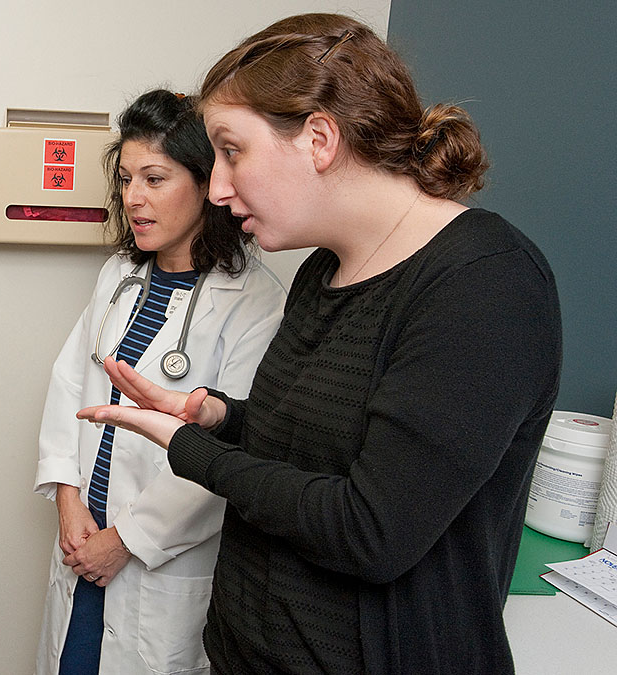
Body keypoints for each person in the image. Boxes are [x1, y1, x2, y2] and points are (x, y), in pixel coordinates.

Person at [77, 13, 562, 675]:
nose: (217, 186)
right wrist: (217, 416)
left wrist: (190, 451)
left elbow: (371, 528)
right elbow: (312, 444)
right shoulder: (321, 273)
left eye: (232, 150)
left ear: (319, 138)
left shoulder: (482, 286)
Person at [34, 89, 287, 675]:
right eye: (125, 180)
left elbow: (231, 453)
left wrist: (124, 541)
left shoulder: (256, 303)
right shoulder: (119, 275)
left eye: (154, 178)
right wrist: (69, 502)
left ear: (207, 183)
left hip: (155, 563)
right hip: (81, 548)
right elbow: (70, 383)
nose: (133, 199)